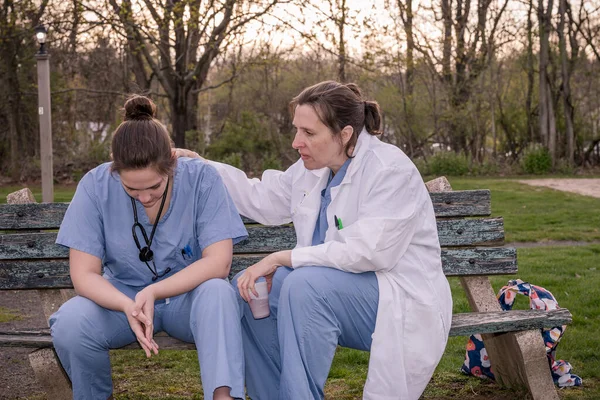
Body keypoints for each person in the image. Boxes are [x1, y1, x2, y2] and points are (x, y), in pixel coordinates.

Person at [180, 80, 453, 400]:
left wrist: (281, 258)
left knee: (302, 284)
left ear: (345, 134)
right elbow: (262, 197)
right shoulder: (312, 169)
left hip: (397, 300)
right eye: (296, 130)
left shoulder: (389, 169)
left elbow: (371, 252)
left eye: (309, 133)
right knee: (248, 288)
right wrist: (202, 166)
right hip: (329, 297)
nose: (297, 142)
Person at [49, 95, 248, 400]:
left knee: (219, 292)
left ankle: (223, 397)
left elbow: (219, 262)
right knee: (70, 323)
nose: (144, 198)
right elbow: (84, 274)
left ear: (172, 161)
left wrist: (154, 291)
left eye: (154, 186)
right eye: (131, 189)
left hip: (188, 299)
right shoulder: (94, 185)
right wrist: (127, 305)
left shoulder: (203, 177)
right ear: (115, 170)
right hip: (124, 301)